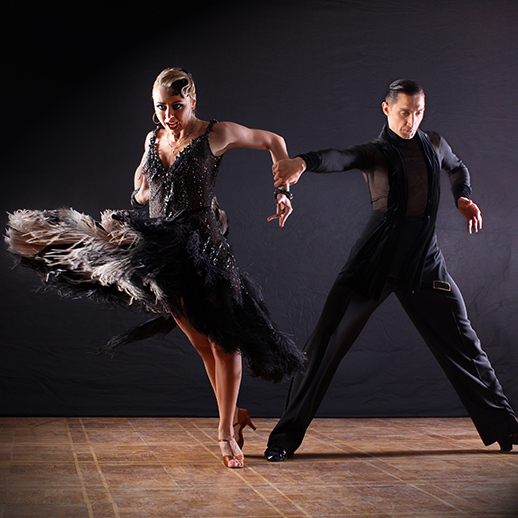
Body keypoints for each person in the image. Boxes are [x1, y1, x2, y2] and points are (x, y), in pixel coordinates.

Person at [5, 67, 306, 469]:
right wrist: (141, 190)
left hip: (205, 250)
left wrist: (283, 190)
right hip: (164, 255)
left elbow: (273, 141)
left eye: (177, 106)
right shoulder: (153, 139)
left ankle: (223, 432)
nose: (169, 115)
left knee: (225, 342)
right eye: (161, 107)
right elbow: (144, 188)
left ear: (192, 102)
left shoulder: (215, 134)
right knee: (202, 345)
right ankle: (234, 414)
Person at [264, 79, 518, 462]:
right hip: (373, 263)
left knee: (465, 343)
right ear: (386, 109)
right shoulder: (375, 152)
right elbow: (339, 157)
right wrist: (302, 163)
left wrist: (462, 196)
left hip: (423, 262)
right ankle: (283, 440)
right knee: (323, 346)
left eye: (418, 112)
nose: (411, 121)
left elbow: (457, 168)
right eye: (403, 113)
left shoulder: (435, 144)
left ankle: (505, 426)